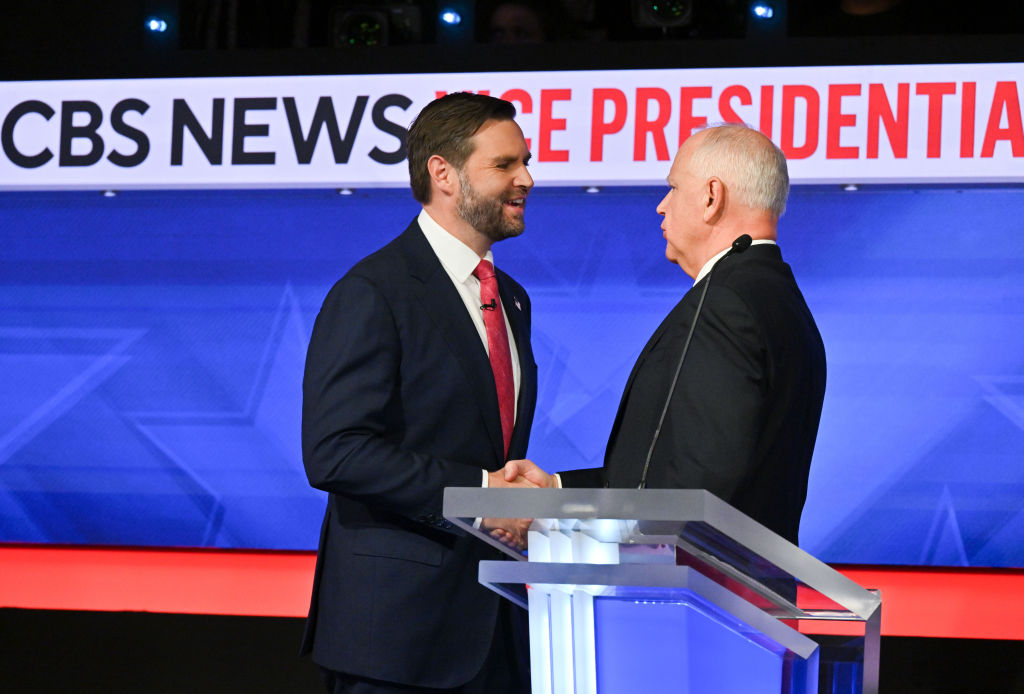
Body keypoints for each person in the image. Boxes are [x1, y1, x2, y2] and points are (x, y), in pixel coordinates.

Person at [301, 92, 538, 693]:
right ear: (443, 174)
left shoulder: (511, 297)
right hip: (396, 639)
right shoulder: (374, 291)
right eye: (505, 164)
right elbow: (337, 451)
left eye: (526, 161)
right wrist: (482, 494)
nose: (527, 179)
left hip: (496, 628)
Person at [507, 124, 826, 545]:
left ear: (712, 197)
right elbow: (659, 472)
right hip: (739, 590)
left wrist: (577, 527)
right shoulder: (782, 301)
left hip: (691, 596)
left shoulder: (727, 305)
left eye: (674, 188)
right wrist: (557, 492)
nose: (661, 206)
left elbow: (693, 488)